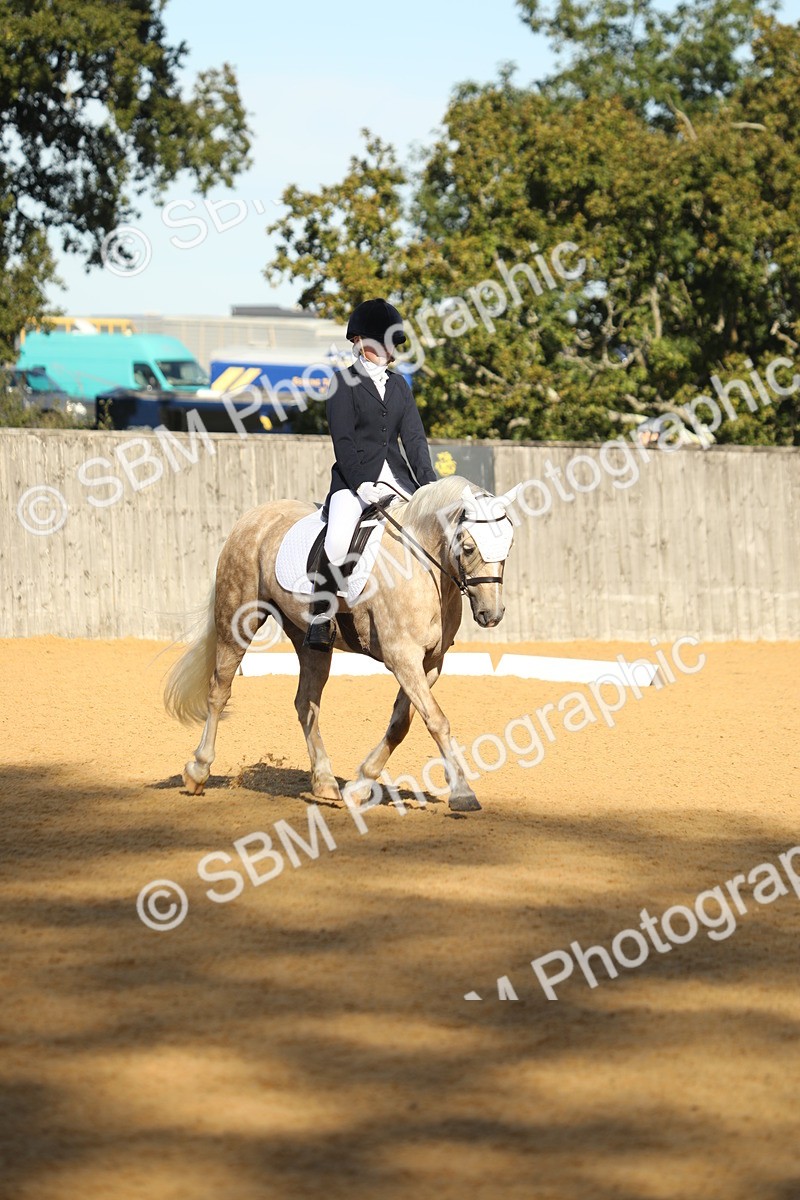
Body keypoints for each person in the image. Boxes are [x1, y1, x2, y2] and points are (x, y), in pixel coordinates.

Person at [303, 297, 437, 650]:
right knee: (338, 536)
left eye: (393, 342)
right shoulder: (341, 383)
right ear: (360, 342)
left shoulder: (399, 385)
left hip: (396, 477)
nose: (391, 350)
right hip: (353, 480)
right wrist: (361, 484)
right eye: (384, 342)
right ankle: (320, 614)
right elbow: (343, 441)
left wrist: (431, 487)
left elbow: (414, 439)